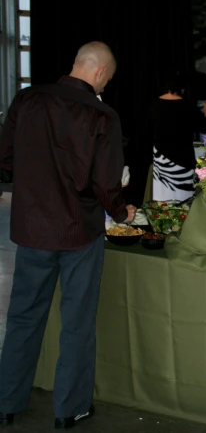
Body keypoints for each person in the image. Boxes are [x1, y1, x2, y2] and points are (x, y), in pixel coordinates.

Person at [0, 42, 136, 429]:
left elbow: (6, 158)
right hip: (79, 231)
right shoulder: (103, 115)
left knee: (23, 317)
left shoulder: (26, 99)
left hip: (31, 228)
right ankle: (69, 409)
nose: (105, 86)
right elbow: (106, 183)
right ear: (98, 73)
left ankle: (8, 402)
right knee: (76, 323)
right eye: (107, 80)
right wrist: (121, 209)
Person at [148, 69, 202, 202]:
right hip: (183, 162)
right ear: (182, 88)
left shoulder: (155, 105)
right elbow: (202, 127)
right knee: (183, 203)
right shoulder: (188, 106)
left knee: (163, 203)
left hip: (161, 161)